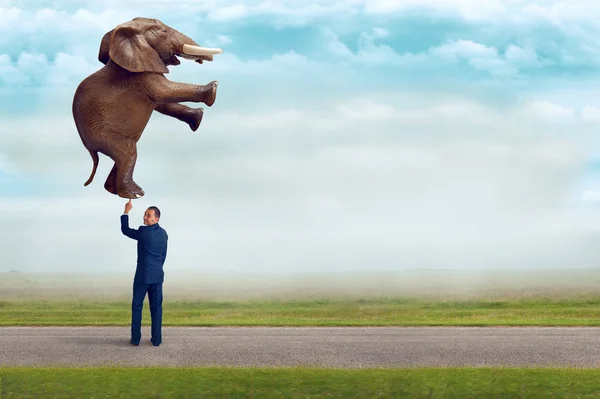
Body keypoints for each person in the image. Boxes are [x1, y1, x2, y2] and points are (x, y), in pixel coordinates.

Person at [120, 199, 168, 347]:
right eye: (145, 214)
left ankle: (135, 339)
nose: (145, 217)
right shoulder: (164, 234)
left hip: (143, 276)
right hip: (158, 276)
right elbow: (163, 256)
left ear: (156, 218)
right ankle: (156, 340)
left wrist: (126, 211)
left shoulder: (143, 231)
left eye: (148, 215)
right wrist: (157, 268)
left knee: (137, 306)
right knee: (156, 308)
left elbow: (125, 230)